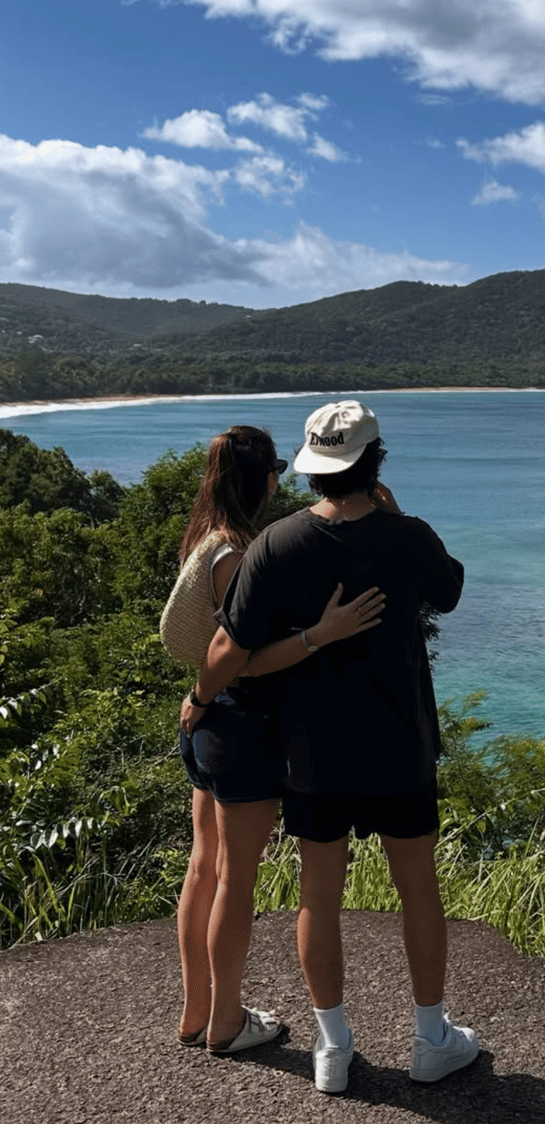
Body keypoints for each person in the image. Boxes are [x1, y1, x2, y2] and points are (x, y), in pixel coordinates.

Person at [180, 400, 478, 1094]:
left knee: (320, 894)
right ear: (374, 464)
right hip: (401, 741)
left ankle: (332, 1048)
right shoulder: (409, 538)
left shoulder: (279, 543)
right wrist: (397, 516)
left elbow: (230, 644)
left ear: (313, 466)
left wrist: (197, 701)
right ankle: (431, 1038)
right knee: (418, 889)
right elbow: (452, 590)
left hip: (312, 748)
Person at [174, 424, 385, 1054]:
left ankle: (197, 1012)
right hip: (238, 723)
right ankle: (227, 1021)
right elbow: (238, 655)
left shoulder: (206, 538)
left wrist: (197, 699)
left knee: (204, 867)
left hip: (209, 727)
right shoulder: (240, 553)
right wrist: (323, 632)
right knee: (236, 879)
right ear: (265, 477)